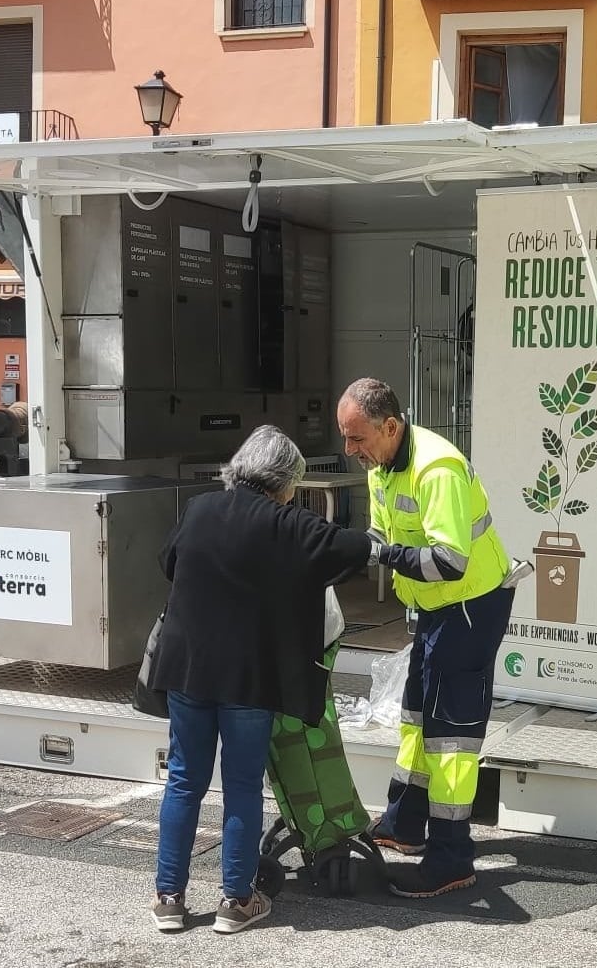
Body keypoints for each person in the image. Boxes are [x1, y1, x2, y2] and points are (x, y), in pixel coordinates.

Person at [148, 425, 378, 935]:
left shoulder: (201, 509)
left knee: (184, 780)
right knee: (242, 786)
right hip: (247, 678)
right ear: (285, 482)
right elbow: (349, 549)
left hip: (186, 668)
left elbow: (169, 563)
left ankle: (169, 898)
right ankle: (236, 900)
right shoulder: (286, 522)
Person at [336, 377, 520, 898]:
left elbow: (448, 560)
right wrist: (347, 549)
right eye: (346, 438)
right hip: (434, 608)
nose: (351, 451)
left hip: (469, 606)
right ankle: (404, 824)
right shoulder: (383, 466)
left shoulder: (436, 468)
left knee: (451, 738)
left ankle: (452, 858)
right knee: (416, 717)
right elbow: (380, 534)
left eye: (358, 438)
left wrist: (382, 556)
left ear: (390, 426)